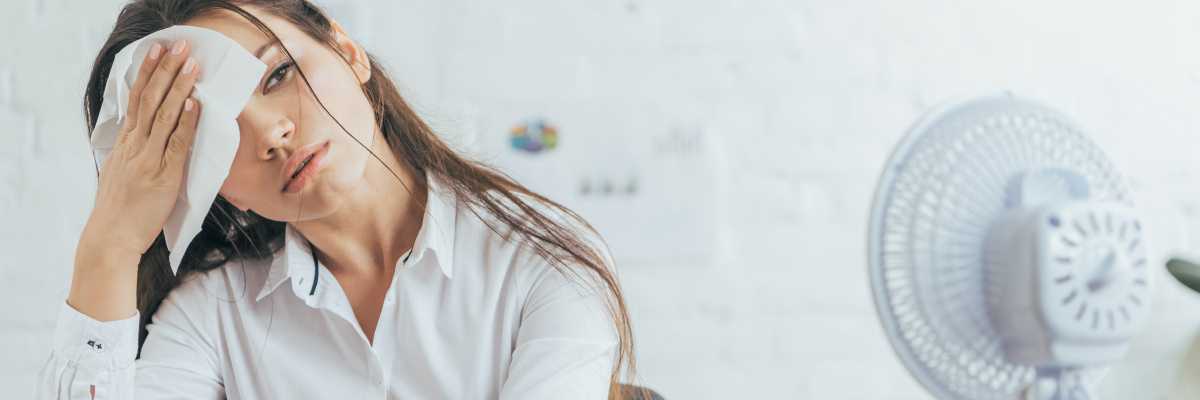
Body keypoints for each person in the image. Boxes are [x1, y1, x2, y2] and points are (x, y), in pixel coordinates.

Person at [35, 1, 641, 399]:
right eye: (218, 135)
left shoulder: (543, 262)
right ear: (207, 184)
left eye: (277, 75)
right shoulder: (209, 319)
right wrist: (110, 246)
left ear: (348, 51)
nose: (271, 133)